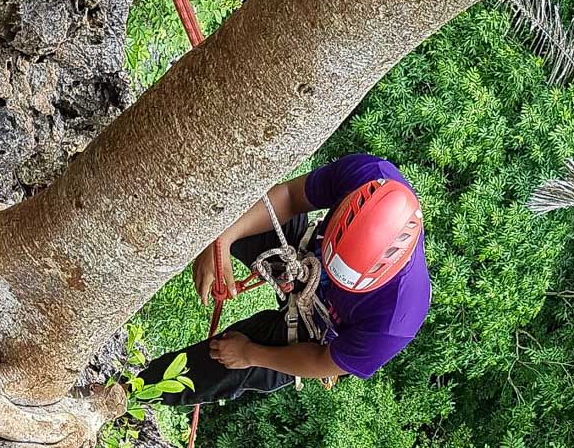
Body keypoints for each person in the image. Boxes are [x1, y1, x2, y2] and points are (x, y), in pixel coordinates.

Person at [138, 153, 431, 404]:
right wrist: (221, 238)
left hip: (315, 331)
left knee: (223, 365)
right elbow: (288, 198)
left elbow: (322, 361)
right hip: (300, 256)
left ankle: (129, 392)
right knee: (233, 201)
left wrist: (250, 354)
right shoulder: (366, 176)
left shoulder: (395, 321)